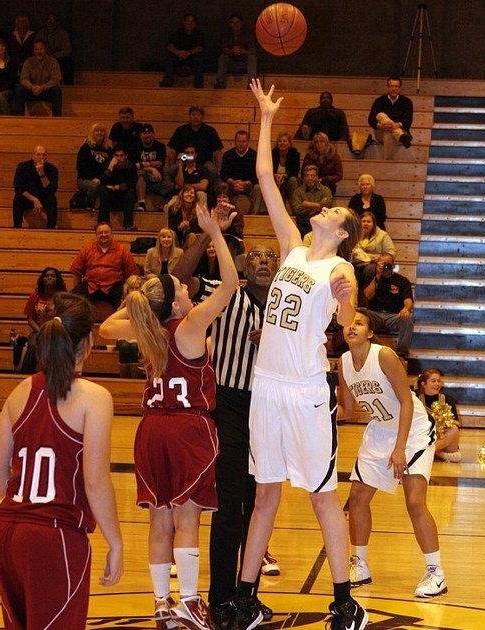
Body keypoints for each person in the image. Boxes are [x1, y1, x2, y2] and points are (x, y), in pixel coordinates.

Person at [227, 79, 367, 630]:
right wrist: (265, 118)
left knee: (322, 496)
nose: (323, 209)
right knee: (264, 496)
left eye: (332, 211)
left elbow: (347, 318)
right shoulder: (291, 246)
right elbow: (265, 177)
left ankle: (344, 602)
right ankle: (245, 598)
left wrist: (346, 300)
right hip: (267, 386)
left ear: (342, 231)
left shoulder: (338, 265)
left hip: (307, 391)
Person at [99, 204, 238, 628]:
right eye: (181, 286)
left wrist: (139, 305)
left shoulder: (148, 331)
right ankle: (190, 601)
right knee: (187, 516)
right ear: (176, 301)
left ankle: (162, 603)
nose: (187, 287)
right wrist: (215, 233)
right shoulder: (189, 325)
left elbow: (105, 328)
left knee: (159, 519)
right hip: (187, 427)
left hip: (150, 430)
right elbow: (230, 285)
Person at [0, 292, 123, 629]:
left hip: (8, 534)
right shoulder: (95, 398)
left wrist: (27, 507)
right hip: (54, 539)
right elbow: (95, 481)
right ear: (87, 343)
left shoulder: (19, 391)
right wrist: (115, 541)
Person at [172, 222, 280, 627]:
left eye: (270, 257)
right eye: (256, 257)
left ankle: (246, 594)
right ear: (244, 265)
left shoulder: (286, 307)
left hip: (269, 407)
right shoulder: (225, 292)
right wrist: (206, 232)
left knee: (259, 504)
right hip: (229, 404)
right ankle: (221, 598)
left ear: (279, 265)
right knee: (230, 502)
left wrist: (275, 341)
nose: (263, 262)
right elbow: (178, 278)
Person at [338, 309, 446, 598]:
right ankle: (359, 564)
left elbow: (406, 403)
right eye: (348, 324)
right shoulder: (344, 362)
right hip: (381, 430)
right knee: (357, 498)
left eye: (359, 323)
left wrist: (399, 448)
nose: (352, 327)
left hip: (413, 429)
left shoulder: (384, 355)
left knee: (414, 501)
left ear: (370, 333)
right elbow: (346, 411)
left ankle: (436, 573)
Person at [71, 222, 138, 310]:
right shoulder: (87, 249)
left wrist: (128, 290)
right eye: (100, 233)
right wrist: (77, 287)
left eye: (106, 232)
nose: (103, 235)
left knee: (127, 300)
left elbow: (132, 272)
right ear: (96, 235)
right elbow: (76, 270)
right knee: (71, 300)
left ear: (112, 234)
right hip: (90, 285)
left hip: (114, 286)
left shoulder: (122, 249)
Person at [364, 253, 414, 359]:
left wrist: (406, 309)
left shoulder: (402, 281)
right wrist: (377, 276)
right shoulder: (373, 278)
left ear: (393, 264)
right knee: (362, 313)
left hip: (394, 316)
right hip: (375, 315)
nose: (385, 266)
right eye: (382, 264)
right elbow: (368, 295)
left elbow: (408, 300)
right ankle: (367, 348)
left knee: (408, 318)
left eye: (387, 264)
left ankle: (402, 352)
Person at [20, 267, 67, 373]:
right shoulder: (34, 296)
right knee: (33, 346)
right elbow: (30, 319)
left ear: (58, 279)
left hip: (57, 331)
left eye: (53, 276)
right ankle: (27, 374)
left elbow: (66, 316)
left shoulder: (63, 296)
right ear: (42, 279)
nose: (49, 278)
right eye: (46, 276)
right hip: (38, 330)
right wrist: (40, 331)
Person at [416, 368, 462, 463]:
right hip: (422, 436)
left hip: (442, 438)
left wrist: (443, 422)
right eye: (433, 381)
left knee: (454, 429)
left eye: (439, 381)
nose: (437, 384)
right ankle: (435, 453)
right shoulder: (415, 398)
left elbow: (457, 423)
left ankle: (430, 451)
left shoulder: (447, 400)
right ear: (423, 384)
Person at [167, 105, 223, 175]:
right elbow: (172, 150)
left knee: (213, 171)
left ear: (202, 117)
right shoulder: (180, 130)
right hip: (184, 162)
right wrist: (172, 165)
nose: (195, 117)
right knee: (170, 171)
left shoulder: (210, 131)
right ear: (189, 116)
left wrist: (219, 169)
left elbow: (218, 151)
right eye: (193, 115)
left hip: (205, 163)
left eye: (198, 115)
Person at [12, 145, 58, 229]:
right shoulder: (23, 166)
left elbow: (51, 190)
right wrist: (34, 200)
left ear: (46, 156)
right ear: (33, 156)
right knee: (18, 198)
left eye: (44, 155)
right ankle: (17, 228)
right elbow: (18, 187)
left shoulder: (52, 169)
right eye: (38, 154)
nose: (41, 157)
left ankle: (51, 228)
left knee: (52, 199)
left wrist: (41, 173)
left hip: (44, 198)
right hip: (28, 198)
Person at [13, 38, 62, 116]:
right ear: (33, 51)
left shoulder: (53, 62)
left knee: (57, 90)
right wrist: (32, 87)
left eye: (41, 49)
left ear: (45, 49)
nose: (39, 51)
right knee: (19, 89)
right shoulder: (28, 62)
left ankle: (57, 119)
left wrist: (43, 87)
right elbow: (23, 79)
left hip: (46, 91)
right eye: (36, 49)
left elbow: (56, 79)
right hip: (32, 91)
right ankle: (19, 118)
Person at [368, 76, 413, 160]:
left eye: (396, 86)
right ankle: (401, 136)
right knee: (381, 115)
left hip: (401, 129)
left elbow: (408, 121)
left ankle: (387, 162)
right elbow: (371, 120)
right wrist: (380, 126)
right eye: (392, 86)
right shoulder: (379, 101)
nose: (394, 89)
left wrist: (397, 125)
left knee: (389, 133)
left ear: (400, 88)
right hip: (381, 131)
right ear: (388, 87)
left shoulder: (407, 102)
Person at [352, 212, 396, 296]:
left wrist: (380, 258)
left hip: (376, 263)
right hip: (358, 262)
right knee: (351, 269)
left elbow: (391, 252)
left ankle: (366, 296)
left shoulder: (382, 235)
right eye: (363, 221)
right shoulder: (355, 234)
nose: (365, 224)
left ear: (373, 224)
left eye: (368, 222)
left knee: (370, 269)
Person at [98, 144, 138, 231]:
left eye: (121, 155)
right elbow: (102, 181)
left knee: (131, 192)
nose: (119, 158)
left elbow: (132, 183)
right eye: (116, 155)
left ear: (126, 156)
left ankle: (128, 225)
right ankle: (104, 224)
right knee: (102, 190)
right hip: (111, 196)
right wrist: (110, 168)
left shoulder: (131, 166)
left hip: (124, 197)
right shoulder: (108, 165)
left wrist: (118, 187)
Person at [221, 130, 261, 214]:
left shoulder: (255, 155)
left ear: (248, 142)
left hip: (248, 185)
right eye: (239, 141)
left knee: (258, 188)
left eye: (243, 141)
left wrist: (246, 183)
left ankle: (253, 215)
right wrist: (233, 182)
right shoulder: (228, 155)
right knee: (223, 186)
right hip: (232, 185)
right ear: (235, 142)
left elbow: (257, 175)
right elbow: (223, 174)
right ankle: (226, 214)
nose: (241, 144)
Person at [160, 13, 205, 88]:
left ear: (195, 23)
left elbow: (201, 47)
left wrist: (189, 53)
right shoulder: (177, 33)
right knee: (169, 58)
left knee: (199, 58)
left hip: (192, 58)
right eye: (188, 21)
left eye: (192, 21)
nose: (190, 23)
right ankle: (168, 80)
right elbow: (169, 45)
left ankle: (198, 83)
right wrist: (177, 52)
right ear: (184, 22)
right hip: (178, 57)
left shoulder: (199, 34)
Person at [214, 13, 257, 89]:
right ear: (230, 24)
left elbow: (253, 50)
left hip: (244, 63)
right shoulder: (226, 35)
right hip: (231, 63)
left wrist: (244, 51)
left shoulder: (247, 35)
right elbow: (224, 49)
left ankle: (251, 84)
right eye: (233, 22)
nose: (235, 25)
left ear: (241, 23)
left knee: (252, 58)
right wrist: (232, 51)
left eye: (237, 22)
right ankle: (220, 82)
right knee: (222, 57)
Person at [76, 122, 113, 210]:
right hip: (85, 179)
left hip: (101, 179)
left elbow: (108, 168)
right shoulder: (86, 147)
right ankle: (89, 206)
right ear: (93, 133)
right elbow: (80, 166)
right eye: (97, 131)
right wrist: (92, 178)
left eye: (102, 131)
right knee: (95, 186)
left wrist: (101, 179)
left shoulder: (108, 149)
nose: (99, 133)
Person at [290, 164, 333, 237]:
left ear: (317, 177)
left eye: (312, 176)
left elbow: (327, 207)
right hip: (304, 224)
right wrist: (319, 205)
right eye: (307, 176)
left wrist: (306, 204)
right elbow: (297, 210)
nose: (310, 178)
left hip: (321, 224)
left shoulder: (325, 190)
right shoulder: (298, 191)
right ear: (303, 178)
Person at [135, 123, 169, 211]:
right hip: (142, 178)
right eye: (145, 133)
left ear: (153, 134)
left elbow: (159, 163)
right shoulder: (136, 147)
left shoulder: (160, 146)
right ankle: (141, 203)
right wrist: (152, 168)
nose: (147, 135)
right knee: (141, 174)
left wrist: (142, 164)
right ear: (140, 136)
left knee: (172, 186)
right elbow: (135, 166)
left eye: (150, 133)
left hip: (157, 179)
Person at [36, 13, 73, 85]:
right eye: (48, 20)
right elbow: (36, 46)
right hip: (43, 58)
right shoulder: (40, 33)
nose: (50, 23)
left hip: (59, 59)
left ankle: (69, 87)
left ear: (57, 22)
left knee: (68, 63)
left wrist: (54, 56)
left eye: (52, 20)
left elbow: (67, 50)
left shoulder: (63, 34)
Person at [271, 131, 300, 206]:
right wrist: (275, 175)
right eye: (280, 141)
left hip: (288, 180)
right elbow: (269, 170)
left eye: (285, 141)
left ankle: (295, 207)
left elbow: (295, 172)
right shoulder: (273, 153)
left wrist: (284, 176)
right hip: (275, 179)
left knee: (292, 180)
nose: (282, 143)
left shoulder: (294, 154)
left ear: (289, 143)